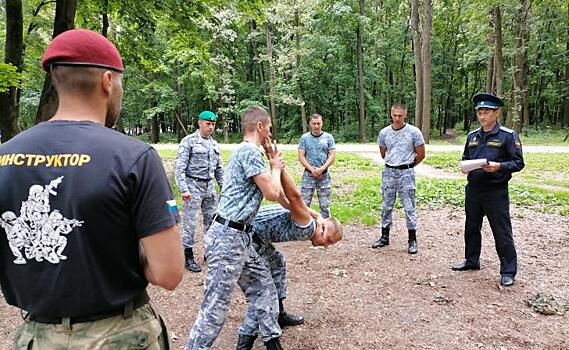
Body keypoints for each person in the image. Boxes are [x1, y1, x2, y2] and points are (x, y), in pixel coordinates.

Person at [0, 29, 184, 349]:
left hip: (36, 338)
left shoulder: (4, 158)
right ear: (107, 82)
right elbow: (168, 273)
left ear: (57, 80)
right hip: (120, 338)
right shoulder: (134, 158)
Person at [185, 106, 286, 350]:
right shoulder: (250, 152)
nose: (270, 134)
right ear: (260, 127)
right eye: (269, 128)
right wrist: (276, 166)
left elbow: (277, 193)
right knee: (214, 311)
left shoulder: (249, 152)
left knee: (264, 288)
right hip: (228, 238)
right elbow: (272, 193)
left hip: (241, 237)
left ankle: (272, 343)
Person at [236, 168, 343, 350]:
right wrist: (280, 167)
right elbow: (294, 197)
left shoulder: (309, 220)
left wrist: (316, 214)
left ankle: (279, 313)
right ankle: (245, 342)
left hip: (255, 237)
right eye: (328, 241)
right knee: (262, 292)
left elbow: (286, 200)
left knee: (277, 261)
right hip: (242, 238)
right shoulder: (307, 227)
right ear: (322, 228)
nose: (325, 246)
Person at [451, 93, 524, 287]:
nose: (482, 116)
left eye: (486, 112)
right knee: (471, 227)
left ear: (496, 113)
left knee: (501, 231)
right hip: (474, 190)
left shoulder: (507, 136)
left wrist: (499, 166)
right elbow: (466, 157)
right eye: (480, 113)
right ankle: (471, 260)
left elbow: (518, 163)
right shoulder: (472, 136)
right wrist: (464, 167)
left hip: (496, 191)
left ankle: (508, 270)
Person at [372, 103, 425, 254]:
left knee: (409, 207)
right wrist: (393, 163)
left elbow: (421, 154)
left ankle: (412, 239)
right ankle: (384, 236)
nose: (397, 118)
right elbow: (383, 153)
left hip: (406, 172)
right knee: (386, 205)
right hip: (389, 172)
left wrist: (408, 165)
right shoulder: (384, 133)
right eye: (394, 115)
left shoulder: (414, 132)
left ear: (405, 115)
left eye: (400, 116)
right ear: (391, 114)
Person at [175, 110, 224, 272]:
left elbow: (219, 169)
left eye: (213, 124)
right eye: (208, 124)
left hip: (209, 188)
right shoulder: (189, 142)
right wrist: (184, 189)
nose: (210, 127)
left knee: (212, 222)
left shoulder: (214, 144)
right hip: (192, 186)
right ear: (199, 123)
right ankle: (187, 256)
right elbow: (179, 168)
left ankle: (209, 253)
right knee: (190, 223)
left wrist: (224, 187)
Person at [298, 114, 336, 218]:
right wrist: (312, 169)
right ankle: (305, 228)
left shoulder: (328, 137)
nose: (316, 126)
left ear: (322, 123)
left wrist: (322, 169)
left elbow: (332, 155)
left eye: (318, 123)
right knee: (304, 204)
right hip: (308, 175)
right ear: (310, 124)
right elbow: (301, 156)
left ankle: (326, 229)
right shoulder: (304, 138)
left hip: (324, 175)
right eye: (314, 123)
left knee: (325, 206)